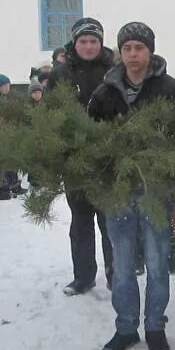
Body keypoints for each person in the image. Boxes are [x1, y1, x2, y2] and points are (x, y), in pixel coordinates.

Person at [88, 21, 175, 350]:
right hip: (117, 194)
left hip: (156, 192)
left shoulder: (170, 89)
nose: (133, 54)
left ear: (150, 51)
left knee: (159, 263)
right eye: (127, 48)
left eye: (139, 48)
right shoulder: (104, 94)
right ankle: (126, 328)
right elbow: (90, 142)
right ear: (120, 52)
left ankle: (155, 327)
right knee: (122, 264)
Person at [47, 17, 116, 295]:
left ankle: (116, 274)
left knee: (111, 221)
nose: (88, 46)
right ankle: (83, 276)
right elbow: (50, 115)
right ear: (75, 43)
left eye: (94, 41)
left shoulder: (114, 71)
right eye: (83, 41)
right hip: (75, 160)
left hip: (108, 158)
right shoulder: (61, 74)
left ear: (101, 43)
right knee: (81, 220)